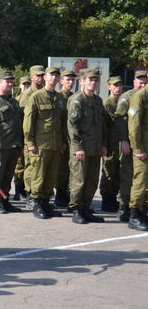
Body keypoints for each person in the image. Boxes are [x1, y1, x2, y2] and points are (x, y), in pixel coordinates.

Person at [23, 67, 67, 220]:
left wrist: (63, 142)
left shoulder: (59, 98)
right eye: (51, 75)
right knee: (39, 176)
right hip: (41, 144)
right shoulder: (36, 97)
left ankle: (46, 203)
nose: (54, 78)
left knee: (51, 176)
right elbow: (28, 122)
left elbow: (63, 122)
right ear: (45, 78)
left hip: (55, 144)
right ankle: (36, 203)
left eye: (56, 75)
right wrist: (30, 142)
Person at [66, 69, 107, 224]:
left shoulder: (98, 101)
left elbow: (101, 126)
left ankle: (86, 208)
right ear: (82, 81)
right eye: (90, 80)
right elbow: (72, 126)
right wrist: (77, 147)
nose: (93, 83)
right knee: (79, 180)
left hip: (95, 148)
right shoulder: (77, 100)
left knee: (91, 181)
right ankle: (76, 210)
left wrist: (103, 145)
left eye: (95, 80)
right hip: (81, 149)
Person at [115, 70, 147, 223]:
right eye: (140, 81)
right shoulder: (128, 97)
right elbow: (121, 120)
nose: (143, 84)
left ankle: (139, 209)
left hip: (141, 142)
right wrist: (124, 141)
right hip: (131, 143)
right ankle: (125, 207)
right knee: (128, 176)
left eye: (144, 81)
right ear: (134, 81)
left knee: (140, 177)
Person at [0, 70, 23, 213]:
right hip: (1, 146)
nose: (10, 84)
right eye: (7, 81)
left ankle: (5, 200)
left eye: (11, 82)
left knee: (8, 177)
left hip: (14, 145)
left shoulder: (13, 101)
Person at [17, 65, 46, 205]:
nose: (40, 78)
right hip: (30, 137)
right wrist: (27, 140)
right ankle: (29, 193)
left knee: (39, 167)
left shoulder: (45, 92)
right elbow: (23, 117)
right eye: (37, 75)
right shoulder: (27, 94)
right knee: (30, 165)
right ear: (31, 77)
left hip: (42, 138)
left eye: (42, 75)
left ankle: (39, 194)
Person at [99, 76, 123, 212]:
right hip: (110, 143)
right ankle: (106, 199)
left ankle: (113, 197)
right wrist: (104, 145)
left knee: (118, 172)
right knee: (108, 171)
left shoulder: (123, 103)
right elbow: (104, 127)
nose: (117, 88)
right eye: (115, 85)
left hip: (119, 144)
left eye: (119, 85)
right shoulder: (107, 104)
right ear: (109, 87)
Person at [54, 70, 77, 208]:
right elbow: (59, 121)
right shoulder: (58, 97)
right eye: (67, 80)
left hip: (72, 139)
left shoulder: (74, 97)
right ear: (61, 81)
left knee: (71, 169)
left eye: (72, 80)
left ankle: (68, 194)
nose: (70, 83)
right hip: (63, 139)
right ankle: (60, 195)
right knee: (61, 169)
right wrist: (62, 140)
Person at [127, 86, 148, 231]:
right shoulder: (139, 96)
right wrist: (137, 148)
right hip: (143, 146)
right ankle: (134, 215)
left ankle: (142, 212)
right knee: (141, 180)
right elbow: (134, 125)